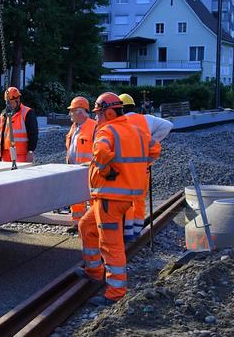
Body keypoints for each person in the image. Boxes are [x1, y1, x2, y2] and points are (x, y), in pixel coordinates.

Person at [76, 92, 160, 306]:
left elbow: (101, 153)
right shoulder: (138, 130)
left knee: (110, 245)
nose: (96, 118)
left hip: (110, 198)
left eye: (98, 114)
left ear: (110, 112)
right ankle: (95, 271)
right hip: (116, 197)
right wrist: (135, 170)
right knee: (86, 226)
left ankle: (115, 292)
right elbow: (155, 149)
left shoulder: (107, 130)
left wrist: (107, 171)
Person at [119, 93, 171, 242]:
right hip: (143, 168)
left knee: (127, 199)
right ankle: (137, 231)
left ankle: (127, 233)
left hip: (125, 169)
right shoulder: (146, 119)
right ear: (133, 106)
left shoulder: (117, 121)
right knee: (140, 199)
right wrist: (152, 141)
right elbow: (168, 125)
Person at [64, 96, 97, 233]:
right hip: (74, 169)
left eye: (72, 111)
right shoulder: (74, 127)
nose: (70, 114)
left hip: (90, 170)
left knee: (93, 199)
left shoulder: (94, 127)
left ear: (80, 112)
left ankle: (95, 225)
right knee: (76, 197)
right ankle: (77, 224)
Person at [0, 86, 38, 163]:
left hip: (21, 154)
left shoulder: (27, 113)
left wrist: (31, 151)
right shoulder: (4, 114)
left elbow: (33, 134)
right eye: (7, 103)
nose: (9, 105)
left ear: (18, 100)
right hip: (5, 154)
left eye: (11, 103)